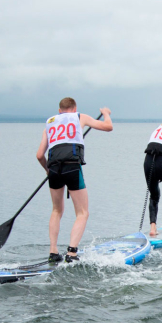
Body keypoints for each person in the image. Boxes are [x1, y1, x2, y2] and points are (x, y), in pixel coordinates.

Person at [36, 98, 113, 263]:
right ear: (74, 108)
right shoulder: (80, 117)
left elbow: (39, 155)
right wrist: (106, 114)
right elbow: (108, 127)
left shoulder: (49, 124)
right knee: (83, 212)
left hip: (54, 168)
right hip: (72, 167)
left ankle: (53, 252)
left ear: (59, 110)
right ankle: (71, 253)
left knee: (56, 210)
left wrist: (48, 171)